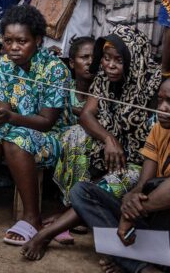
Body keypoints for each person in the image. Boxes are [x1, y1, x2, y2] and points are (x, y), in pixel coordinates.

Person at [23, 26, 162, 260]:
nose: (110, 65)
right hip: (112, 150)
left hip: (143, 163)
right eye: (106, 58)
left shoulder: (155, 86)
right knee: (74, 135)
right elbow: (86, 114)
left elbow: (155, 145)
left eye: (119, 59)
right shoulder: (105, 79)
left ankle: (48, 233)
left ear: (134, 58)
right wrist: (109, 139)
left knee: (106, 187)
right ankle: (71, 208)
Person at [0, 6, 69, 246]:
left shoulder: (54, 69)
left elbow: (47, 122)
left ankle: (32, 218)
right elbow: (4, 107)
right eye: (8, 41)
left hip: (54, 135)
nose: (14, 47)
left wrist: (7, 117)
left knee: (15, 141)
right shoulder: (4, 64)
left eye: (22, 41)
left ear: (37, 40)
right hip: (16, 125)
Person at [66, 84, 170, 273]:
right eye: (160, 100)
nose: (162, 108)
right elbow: (144, 183)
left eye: (169, 102)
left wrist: (131, 213)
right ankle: (140, 262)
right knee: (82, 191)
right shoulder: (159, 129)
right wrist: (132, 198)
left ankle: (131, 262)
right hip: (156, 226)